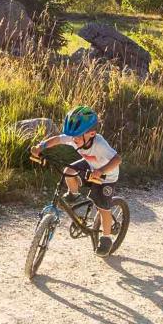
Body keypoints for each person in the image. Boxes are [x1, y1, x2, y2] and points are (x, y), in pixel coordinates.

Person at [29, 105, 124, 254]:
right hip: (91, 165)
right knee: (68, 171)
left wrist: (101, 171)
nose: (74, 140)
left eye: (78, 136)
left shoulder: (99, 144)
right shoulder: (75, 137)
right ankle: (74, 194)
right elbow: (58, 139)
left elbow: (118, 159)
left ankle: (106, 238)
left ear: (91, 134)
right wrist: (40, 147)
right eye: (73, 137)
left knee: (102, 207)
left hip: (107, 174)